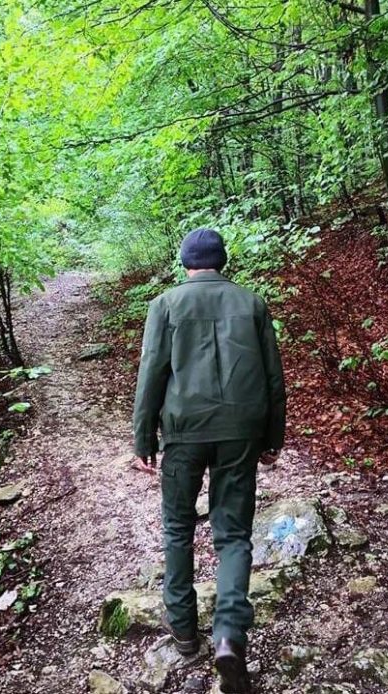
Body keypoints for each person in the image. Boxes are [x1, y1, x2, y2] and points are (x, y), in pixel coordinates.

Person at [133, 228, 286, 693]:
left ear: (185, 263)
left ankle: (183, 628)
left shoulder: (165, 305)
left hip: (184, 431)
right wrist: (272, 437)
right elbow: (273, 376)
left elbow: (151, 372)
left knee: (178, 525)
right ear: (222, 261)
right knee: (234, 533)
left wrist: (144, 438)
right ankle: (229, 633)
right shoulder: (252, 302)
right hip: (241, 430)